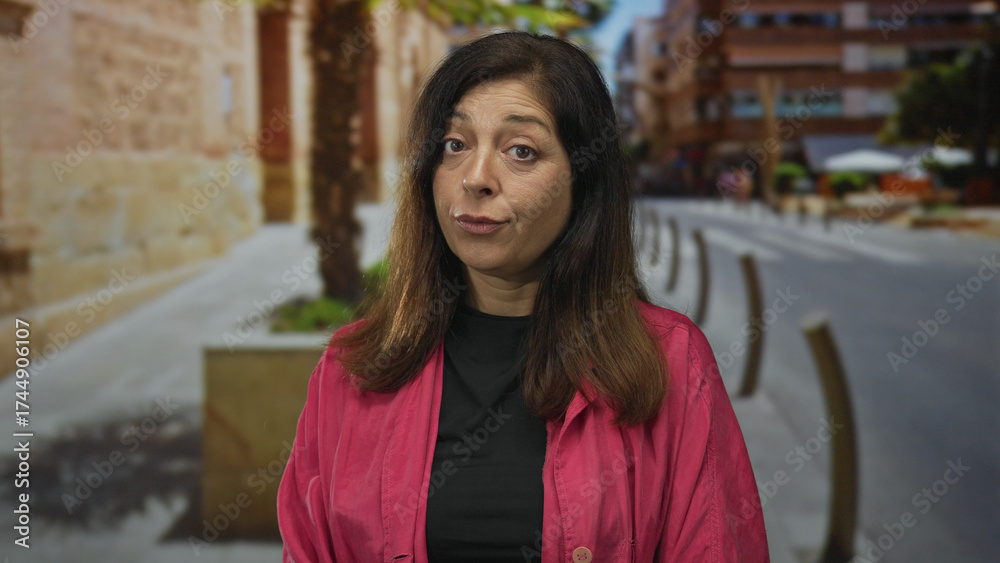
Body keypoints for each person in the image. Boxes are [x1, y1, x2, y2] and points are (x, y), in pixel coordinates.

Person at [277, 30, 768, 562]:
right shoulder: (350, 370)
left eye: (521, 151)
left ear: (584, 182)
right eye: (455, 145)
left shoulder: (670, 362)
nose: (476, 177)